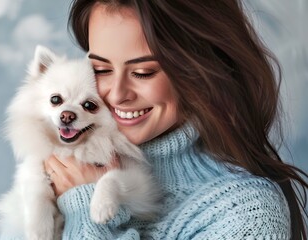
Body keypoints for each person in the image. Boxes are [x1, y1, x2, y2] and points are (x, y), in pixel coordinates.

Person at [42, 0, 308, 239]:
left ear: (199, 70)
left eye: (143, 72)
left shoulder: (247, 213)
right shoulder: (65, 166)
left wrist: (84, 209)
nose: (117, 94)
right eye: (101, 69)